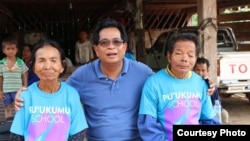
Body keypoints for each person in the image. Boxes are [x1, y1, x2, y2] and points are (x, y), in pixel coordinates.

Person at [14, 19, 215, 140]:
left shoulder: (143, 72)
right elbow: (54, 90)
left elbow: (168, 86)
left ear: (125, 47)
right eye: (104, 43)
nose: (111, 47)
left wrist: (205, 84)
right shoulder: (82, 75)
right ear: (96, 49)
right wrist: (25, 93)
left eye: (117, 42)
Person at [138, 33, 218, 141]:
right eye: (179, 53)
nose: (184, 59)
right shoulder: (153, 83)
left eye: (190, 55)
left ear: (195, 58)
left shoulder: (201, 83)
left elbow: (208, 119)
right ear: (169, 56)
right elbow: (148, 126)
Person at [10, 38, 88, 140]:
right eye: (41, 60)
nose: (47, 66)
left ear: (62, 66)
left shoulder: (71, 94)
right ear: (33, 67)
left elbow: (78, 133)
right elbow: (17, 135)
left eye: (53, 60)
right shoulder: (26, 95)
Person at [194, 57, 229, 124]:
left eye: (203, 70)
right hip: (196, 114)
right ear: (193, 70)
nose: (200, 73)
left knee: (224, 114)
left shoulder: (211, 85)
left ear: (207, 71)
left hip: (209, 113)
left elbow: (217, 104)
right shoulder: (190, 84)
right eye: (197, 70)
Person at [0, 36, 28, 120]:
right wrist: (0, 90)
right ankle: (8, 125)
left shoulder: (20, 62)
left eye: (13, 48)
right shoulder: (1, 63)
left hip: (18, 90)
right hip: (6, 90)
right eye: (8, 49)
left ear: (16, 50)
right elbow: (0, 77)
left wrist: (25, 87)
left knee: (18, 107)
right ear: (3, 50)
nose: (11, 51)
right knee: (7, 107)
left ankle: (17, 124)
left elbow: (24, 74)